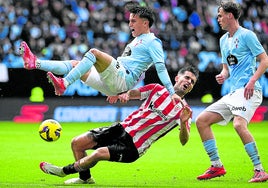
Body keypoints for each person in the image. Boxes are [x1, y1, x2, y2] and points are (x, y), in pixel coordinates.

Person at [39, 66, 199, 185]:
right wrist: (122, 95)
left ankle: (62, 171)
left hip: (135, 146)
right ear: (177, 78)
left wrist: (184, 123)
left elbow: (184, 141)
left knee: (98, 153)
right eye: (187, 78)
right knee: (77, 143)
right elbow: (133, 93)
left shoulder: (185, 111)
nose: (189, 82)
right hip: (120, 129)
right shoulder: (157, 89)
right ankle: (85, 179)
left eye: (192, 82)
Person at [19, 3, 181, 104]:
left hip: (122, 78)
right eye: (130, 20)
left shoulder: (153, 41)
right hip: (115, 84)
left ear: (145, 23)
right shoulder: (137, 40)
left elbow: (161, 68)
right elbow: (141, 71)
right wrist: (118, 93)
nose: (129, 23)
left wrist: (172, 93)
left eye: (133, 21)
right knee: (76, 65)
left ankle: (64, 84)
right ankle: (35, 63)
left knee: (94, 53)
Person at [195, 1, 268, 183]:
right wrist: (223, 74)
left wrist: (252, 81)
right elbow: (226, 68)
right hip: (234, 93)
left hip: (249, 91)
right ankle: (216, 165)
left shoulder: (247, 35)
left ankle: (260, 170)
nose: (217, 19)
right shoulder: (222, 40)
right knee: (202, 121)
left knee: (238, 125)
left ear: (229, 15)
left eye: (220, 15)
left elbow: (264, 60)